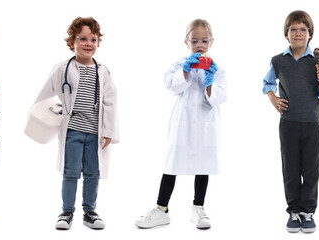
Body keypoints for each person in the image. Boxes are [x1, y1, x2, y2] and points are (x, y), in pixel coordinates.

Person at [135, 19, 226, 230]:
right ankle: (161, 210)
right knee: (171, 165)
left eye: (204, 40)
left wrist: (210, 82)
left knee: (203, 165)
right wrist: (185, 71)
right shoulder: (179, 65)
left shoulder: (217, 69)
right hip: (182, 124)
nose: (199, 45)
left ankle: (198, 208)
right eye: (195, 41)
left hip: (206, 123)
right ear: (186, 42)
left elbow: (219, 98)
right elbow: (171, 86)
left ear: (212, 41)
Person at [32, 17, 119, 230]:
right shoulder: (63, 68)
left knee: (93, 171)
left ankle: (90, 211)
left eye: (93, 39)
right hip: (72, 130)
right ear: (72, 42)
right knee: (70, 172)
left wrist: (108, 131)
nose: (88, 43)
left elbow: (110, 103)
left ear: (98, 43)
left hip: (95, 132)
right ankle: (66, 212)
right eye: (82, 38)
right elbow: (45, 94)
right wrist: (40, 115)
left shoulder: (103, 71)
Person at [261, 10, 319, 233]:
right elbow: (267, 83)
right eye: (293, 30)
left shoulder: (318, 60)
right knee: (290, 168)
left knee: (311, 169)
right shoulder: (278, 61)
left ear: (310, 34)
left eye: (303, 29)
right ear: (287, 34)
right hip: (289, 122)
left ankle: (307, 211)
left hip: (311, 122)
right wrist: (273, 98)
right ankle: (293, 210)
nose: (298, 33)